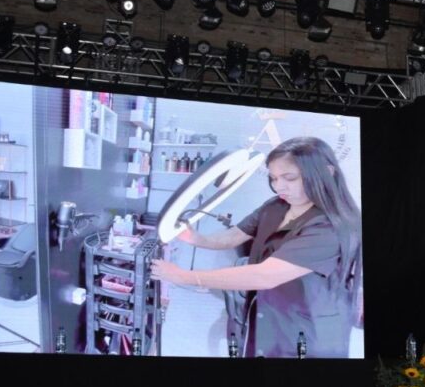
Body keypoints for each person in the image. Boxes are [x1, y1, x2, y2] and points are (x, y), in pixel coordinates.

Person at [150, 137, 361, 358]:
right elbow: (234, 236)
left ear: (326, 172)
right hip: (265, 321)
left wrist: (184, 277)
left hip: (309, 336)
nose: (279, 186)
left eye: (289, 178)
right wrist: (197, 238)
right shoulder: (276, 206)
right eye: (274, 178)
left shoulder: (330, 228)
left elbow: (264, 276)